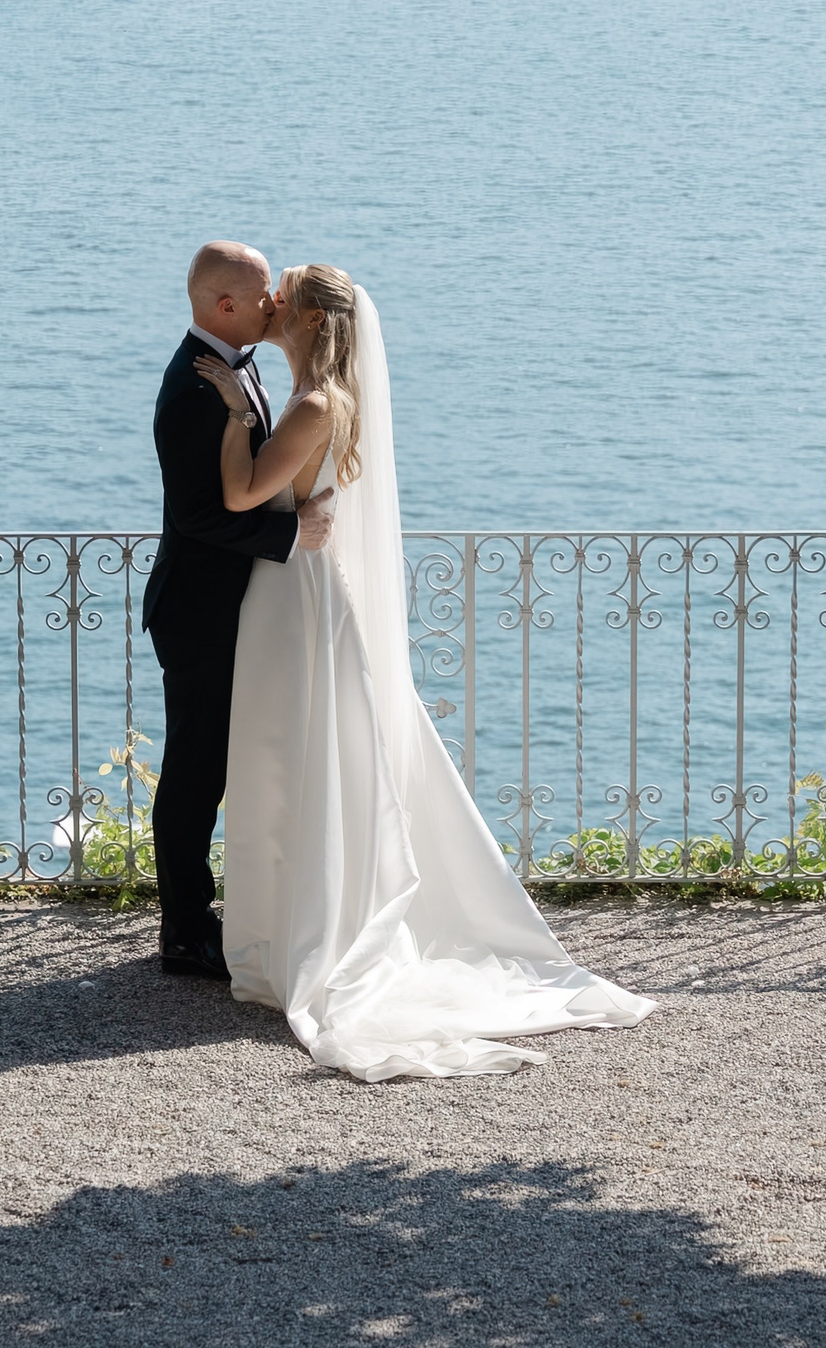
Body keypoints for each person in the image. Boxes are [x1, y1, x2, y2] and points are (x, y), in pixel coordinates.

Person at [190, 262, 652, 1080]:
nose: (269, 304)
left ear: (305, 319)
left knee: (289, 756)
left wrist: (233, 413)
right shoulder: (326, 398)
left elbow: (237, 496)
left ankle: (297, 932)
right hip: (293, 589)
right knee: (287, 756)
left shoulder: (310, 405)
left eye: (281, 294)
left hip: (293, 597)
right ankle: (280, 925)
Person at [141, 241, 335, 979]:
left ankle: (205, 913)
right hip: (199, 609)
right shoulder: (193, 387)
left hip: (234, 605)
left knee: (215, 763)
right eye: (262, 298)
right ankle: (186, 930)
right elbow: (197, 517)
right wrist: (292, 532)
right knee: (195, 770)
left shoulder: (235, 367)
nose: (274, 306)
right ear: (226, 305)